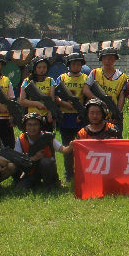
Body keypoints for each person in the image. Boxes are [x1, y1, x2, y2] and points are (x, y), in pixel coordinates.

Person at [14, 113, 72, 190]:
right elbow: (17, 159)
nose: (32, 127)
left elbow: (64, 150)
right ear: (25, 126)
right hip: (30, 171)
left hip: (48, 168)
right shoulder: (20, 139)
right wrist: (34, 158)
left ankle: (50, 184)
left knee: (46, 162)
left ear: (40, 126)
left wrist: (71, 146)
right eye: (29, 124)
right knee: (21, 189)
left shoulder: (47, 137)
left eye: (35, 124)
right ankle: (35, 182)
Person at [55, 52, 88, 181]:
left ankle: (82, 172)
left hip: (80, 117)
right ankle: (69, 174)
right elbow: (55, 96)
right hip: (65, 117)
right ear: (69, 65)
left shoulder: (86, 78)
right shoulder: (62, 78)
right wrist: (64, 104)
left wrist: (83, 112)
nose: (76, 66)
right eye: (73, 64)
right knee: (67, 147)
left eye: (78, 64)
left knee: (82, 147)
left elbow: (88, 97)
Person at [83, 47, 128, 136]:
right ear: (101, 59)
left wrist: (117, 112)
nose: (108, 61)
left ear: (115, 59)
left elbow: (122, 96)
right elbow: (85, 90)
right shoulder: (95, 73)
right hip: (96, 114)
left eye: (111, 58)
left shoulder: (122, 77)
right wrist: (98, 101)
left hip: (112, 114)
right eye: (105, 58)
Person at [18, 56, 56, 128]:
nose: (42, 70)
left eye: (44, 67)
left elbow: (52, 100)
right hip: (31, 117)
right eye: (39, 67)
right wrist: (37, 104)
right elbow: (22, 101)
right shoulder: (27, 81)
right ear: (34, 68)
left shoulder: (50, 80)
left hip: (46, 117)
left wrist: (50, 113)